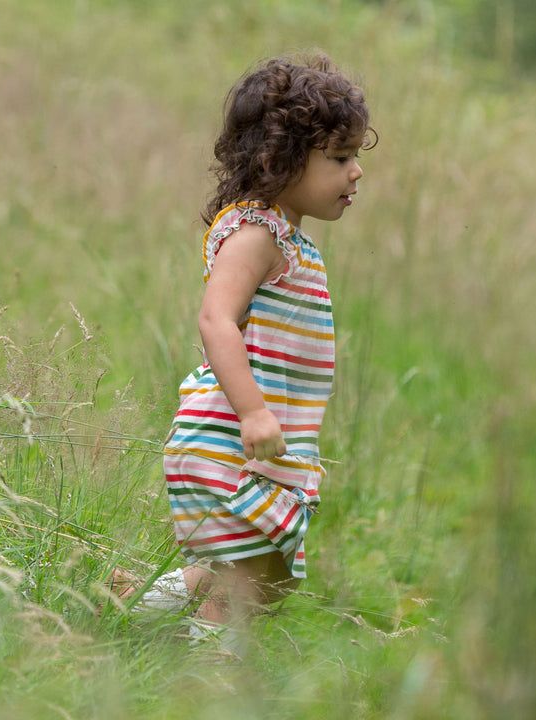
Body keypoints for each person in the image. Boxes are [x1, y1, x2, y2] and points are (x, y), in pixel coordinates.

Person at [112, 53, 375, 658]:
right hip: (231, 431)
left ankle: (131, 606)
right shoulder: (256, 233)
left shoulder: (288, 236)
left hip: (261, 434)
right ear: (278, 159)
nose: (356, 172)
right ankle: (211, 680)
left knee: (265, 576)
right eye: (338, 158)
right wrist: (255, 412)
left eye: (356, 156)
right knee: (244, 583)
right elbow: (215, 320)